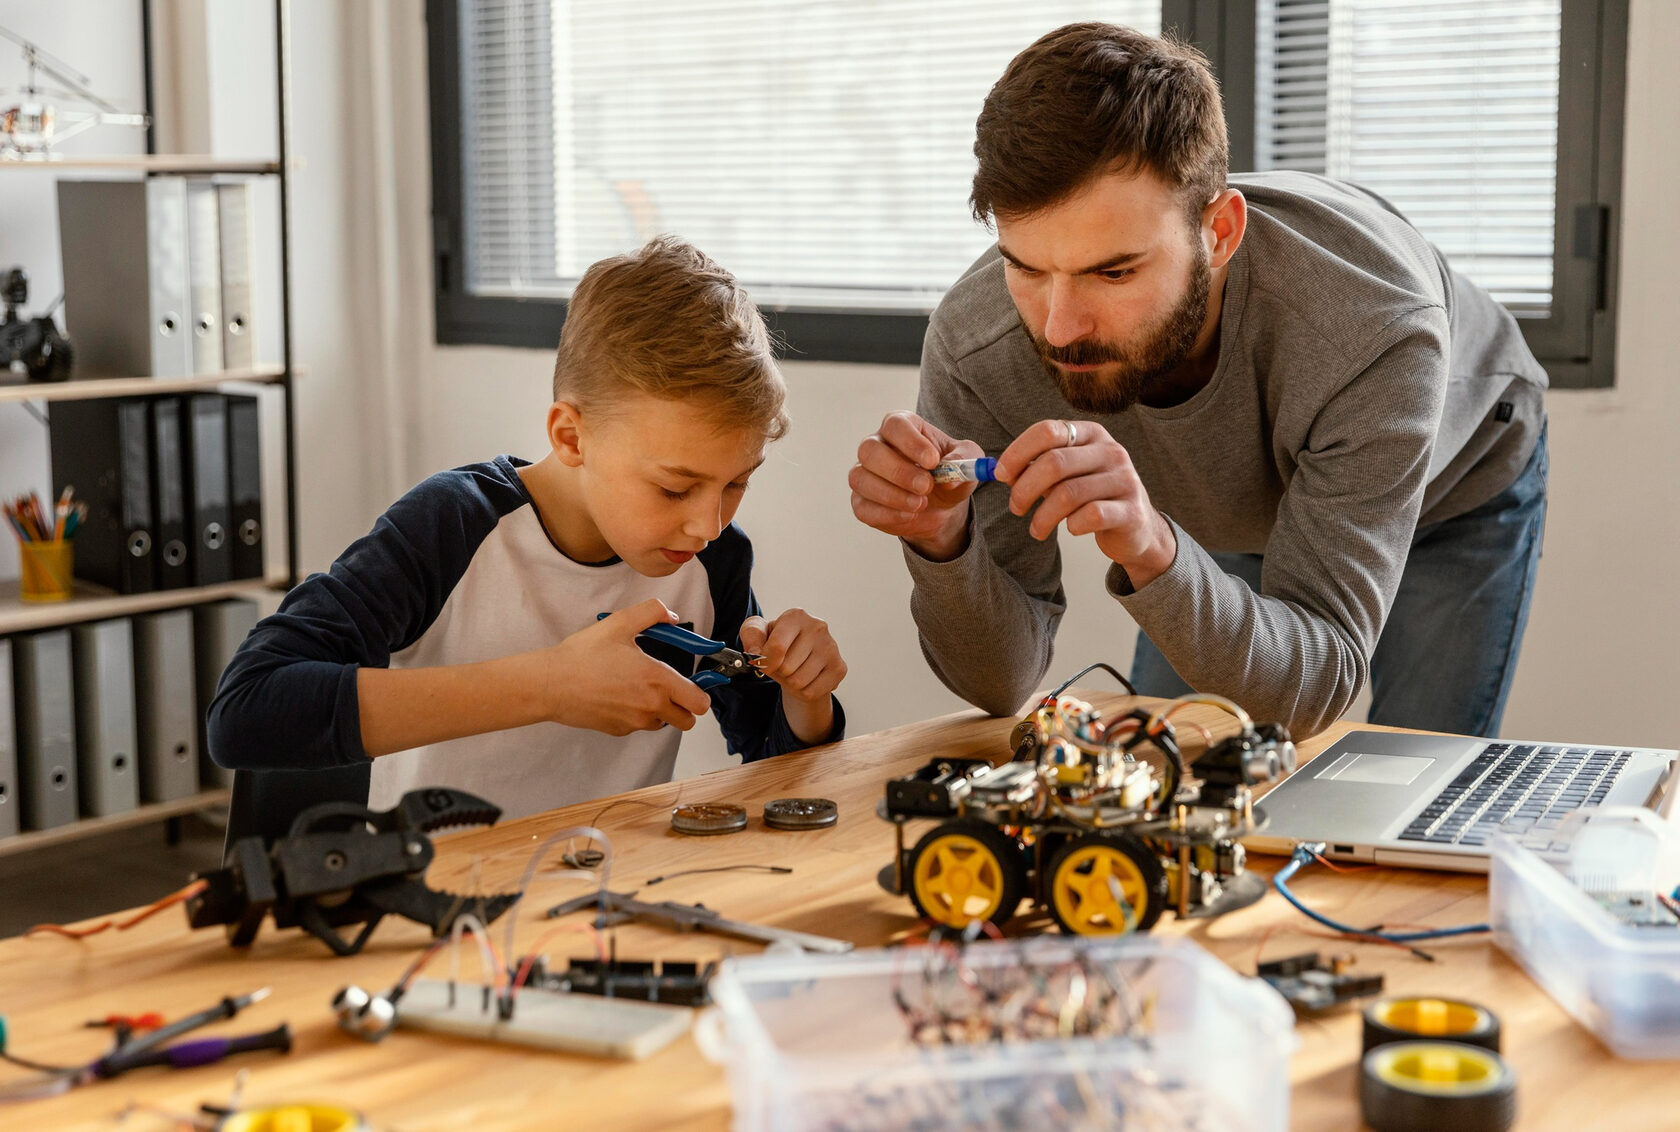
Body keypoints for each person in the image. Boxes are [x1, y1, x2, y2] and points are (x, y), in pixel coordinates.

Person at [849, 22, 1547, 740]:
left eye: (1113, 271)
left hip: (1454, 488)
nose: (1058, 329)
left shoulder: (1368, 327)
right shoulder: (978, 346)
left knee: (1414, 782)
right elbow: (1003, 686)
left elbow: (1312, 689)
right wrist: (945, 545)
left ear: (1219, 233)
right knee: (1171, 772)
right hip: (1217, 513)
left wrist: (1154, 544)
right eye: (1026, 267)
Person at [211, 236, 847, 839]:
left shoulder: (714, 560)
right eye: (675, 489)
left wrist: (805, 698)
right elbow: (247, 710)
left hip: (601, 897)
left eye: (736, 482)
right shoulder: (452, 525)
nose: (706, 526)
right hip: (428, 904)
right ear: (571, 437)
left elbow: (775, 765)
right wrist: (551, 686)